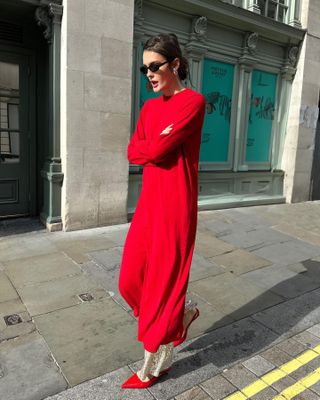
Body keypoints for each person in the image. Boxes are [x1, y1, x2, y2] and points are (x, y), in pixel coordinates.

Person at [118, 33, 206, 389]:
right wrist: (151, 146)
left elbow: (153, 150)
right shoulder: (150, 107)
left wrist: (151, 146)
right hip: (149, 205)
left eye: (155, 66)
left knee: (164, 282)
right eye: (145, 68)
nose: (149, 74)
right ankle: (175, 322)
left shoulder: (194, 102)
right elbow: (134, 151)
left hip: (176, 205)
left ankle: (152, 363)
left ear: (176, 65)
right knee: (130, 279)